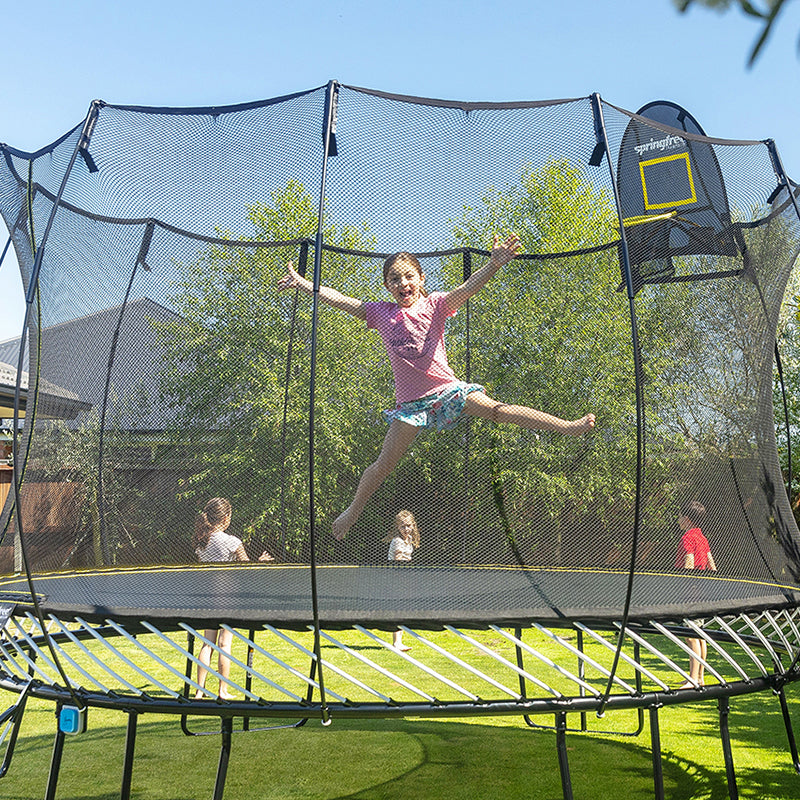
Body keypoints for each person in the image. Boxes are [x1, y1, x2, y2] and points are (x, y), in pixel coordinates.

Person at [277, 234, 596, 540]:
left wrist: (494, 265)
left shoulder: (436, 305)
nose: (403, 284)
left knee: (497, 411)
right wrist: (304, 284)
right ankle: (352, 511)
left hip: (448, 390)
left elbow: (468, 287)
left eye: (408, 276)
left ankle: (566, 427)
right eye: (395, 279)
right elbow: (342, 300)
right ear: (387, 286)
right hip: (411, 405)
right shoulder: (381, 313)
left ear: (421, 278)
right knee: (384, 465)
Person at [192, 497, 273, 699]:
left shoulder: (203, 542)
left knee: (206, 644)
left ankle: (199, 691)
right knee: (224, 645)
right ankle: (222, 690)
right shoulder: (232, 541)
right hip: (228, 599)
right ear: (226, 518)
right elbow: (247, 570)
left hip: (208, 599)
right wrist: (260, 562)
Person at [676, 500, 717, 689]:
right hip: (702, 590)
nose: (678, 520)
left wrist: (684, 584)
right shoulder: (702, 537)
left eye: (679, 516)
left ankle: (693, 680)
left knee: (691, 636)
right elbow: (710, 562)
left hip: (690, 591)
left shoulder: (687, 537)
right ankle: (699, 677)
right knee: (700, 636)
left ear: (687, 519)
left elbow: (689, 561)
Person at [386, 510, 420, 651]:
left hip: (405, 577)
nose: (406, 529)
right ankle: (396, 643)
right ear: (397, 527)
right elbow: (398, 561)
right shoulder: (397, 541)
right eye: (403, 526)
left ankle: (399, 641)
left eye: (408, 526)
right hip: (396, 577)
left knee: (402, 608)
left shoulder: (409, 539)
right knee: (397, 609)